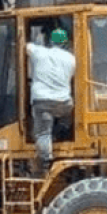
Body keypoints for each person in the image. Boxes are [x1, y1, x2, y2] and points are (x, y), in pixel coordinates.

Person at [26, 27, 75, 171]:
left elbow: (25, 46)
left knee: (43, 133)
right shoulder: (71, 59)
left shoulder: (39, 52)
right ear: (65, 43)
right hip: (64, 103)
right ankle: (60, 134)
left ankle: (46, 161)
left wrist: (37, 38)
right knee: (65, 119)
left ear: (50, 41)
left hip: (43, 102)